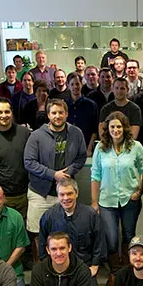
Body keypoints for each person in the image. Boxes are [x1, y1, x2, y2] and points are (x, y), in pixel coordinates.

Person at [91, 111, 143, 286]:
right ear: (107, 128)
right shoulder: (101, 148)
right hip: (107, 200)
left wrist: (139, 191)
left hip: (130, 199)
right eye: (112, 127)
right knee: (112, 239)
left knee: (129, 236)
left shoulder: (136, 146)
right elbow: (95, 175)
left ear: (125, 128)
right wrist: (94, 202)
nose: (116, 130)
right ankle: (114, 272)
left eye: (119, 126)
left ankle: (127, 273)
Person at [24, 99, 88, 244]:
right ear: (48, 115)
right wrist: (53, 174)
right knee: (38, 233)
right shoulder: (36, 136)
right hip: (40, 193)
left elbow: (81, 156)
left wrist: (69, 172)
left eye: (60, 112)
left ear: (66, 114)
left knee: (66, 233)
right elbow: (29, 162)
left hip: (66, 194)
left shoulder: (76, 133)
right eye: (54, 113)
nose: (57, 116)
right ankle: (41, 258)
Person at [38, 178, 105, 277]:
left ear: (76, 193)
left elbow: (99, 242)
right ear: (58, 196)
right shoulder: (48, 217)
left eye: (69, 194)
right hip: (57, 269)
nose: (66, 198)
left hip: (85, 267)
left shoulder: (91, 215)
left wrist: (95, 266)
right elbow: (42, 244)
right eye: (62, 194)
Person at [99, 77, 142, 143]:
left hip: (128, 146)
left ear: (127, 90)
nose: (119, 91)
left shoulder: (135, 109)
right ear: (112, 89)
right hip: (109, 145)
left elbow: (134, 135)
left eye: (122, 88)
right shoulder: (105, 109)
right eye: (116, 88)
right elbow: (102, 133)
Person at [65, 72, 99, 151]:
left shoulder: (91, 105)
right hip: (68, 148)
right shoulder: (64, 105)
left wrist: (89, 149)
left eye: (77, 84)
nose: (75, 87)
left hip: (86, 146)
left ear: (82, 84)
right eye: (72, 84)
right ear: (68, 86)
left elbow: (94, 130)